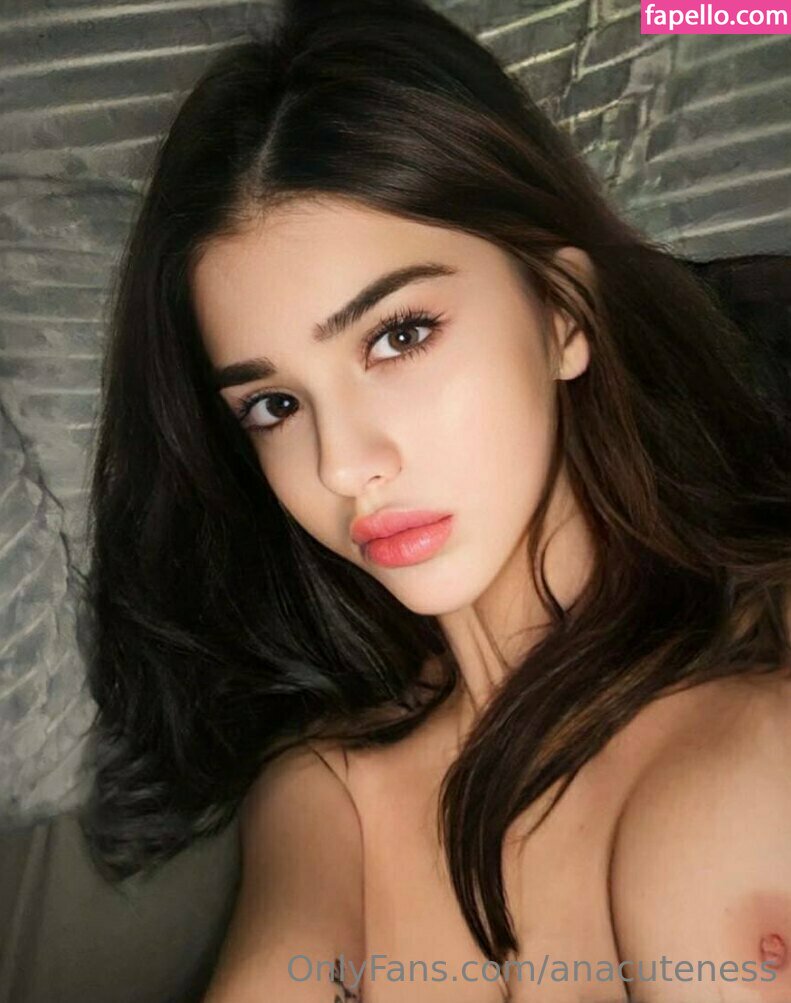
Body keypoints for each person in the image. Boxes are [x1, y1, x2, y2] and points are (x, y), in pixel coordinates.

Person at [78, 0, 791, 1000]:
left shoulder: (762, 686)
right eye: (275, 404)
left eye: (398, 337)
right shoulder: (334, 799)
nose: (341, 464)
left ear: (561, 311)